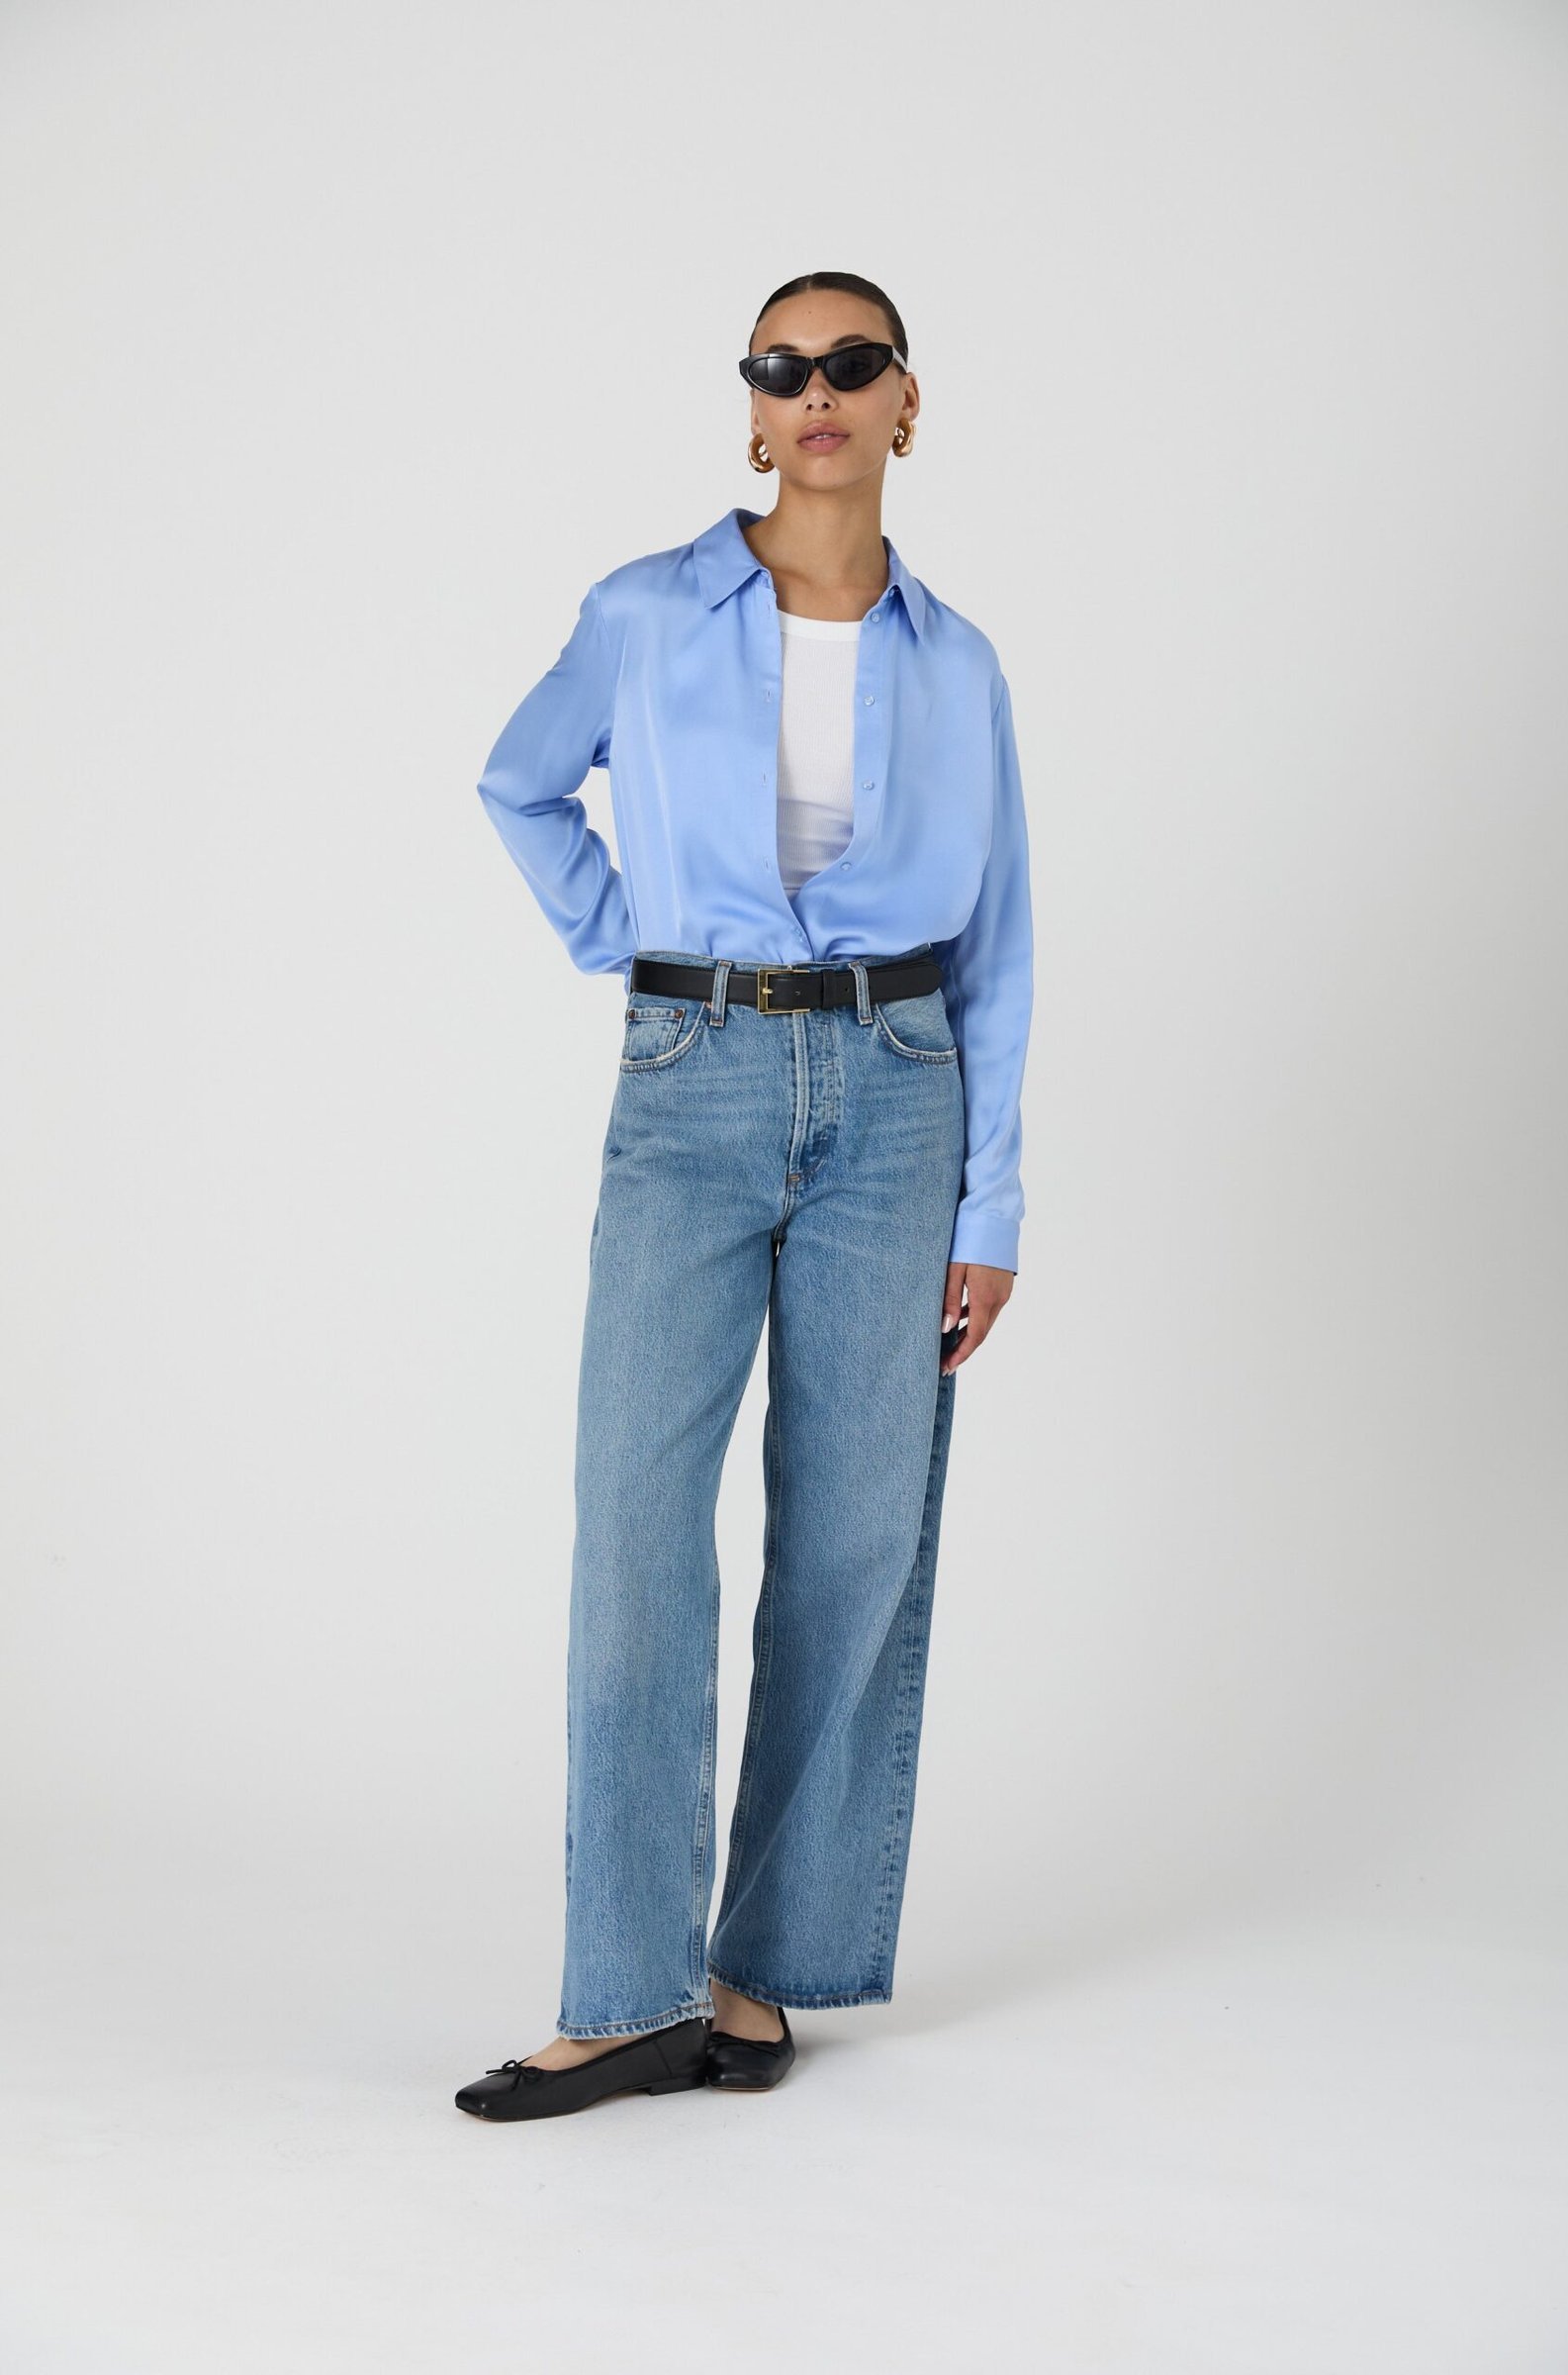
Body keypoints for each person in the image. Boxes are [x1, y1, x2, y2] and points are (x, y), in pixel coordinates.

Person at [455, 270, 1035, 2123]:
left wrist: (991, 1208)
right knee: (637, 1524)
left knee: (855, 1538)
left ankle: (756, 1971)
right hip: (693, 1084)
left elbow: (1000, 943)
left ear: (907, 403)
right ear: (755, 407)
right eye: (784, 367)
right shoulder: (647, 611)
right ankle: (625, 1992)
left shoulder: (960, 661)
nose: (817, 392)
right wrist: (638, 947)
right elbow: (520, 786)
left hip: (902, 1093)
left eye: (853, 363)